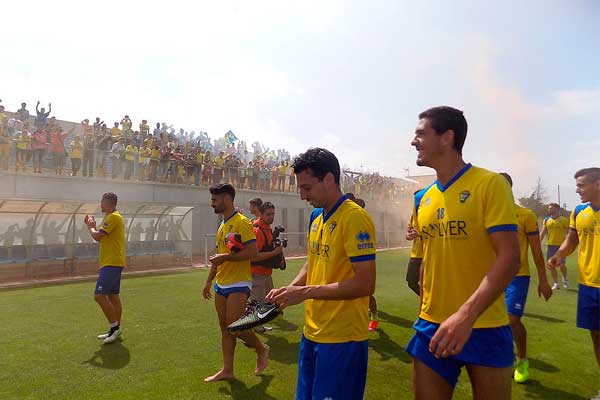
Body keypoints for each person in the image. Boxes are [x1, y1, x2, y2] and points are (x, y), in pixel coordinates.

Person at [406, 106, 519, 399]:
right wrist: (423, 312)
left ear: (447, 138)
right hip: (431, 325)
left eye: (420, 133)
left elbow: (509, 258)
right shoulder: (423, 197)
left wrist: (465, 315)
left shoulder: (489, 183)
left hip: (484, 324)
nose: (412, 141)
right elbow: (429, 260)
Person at [266, 148, 376, 400]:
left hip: (343, 339)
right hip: (312, 333)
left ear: (328, 179)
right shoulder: (317, 217)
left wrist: (304, 293)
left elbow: (365, 284)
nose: (302, 196)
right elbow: (313, 262)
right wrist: (288, 291)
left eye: (307, 188)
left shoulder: (355, 218)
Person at [202, 183, 269, 382]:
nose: (211, 203)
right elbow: (219, 257)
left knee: (235, 326)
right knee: (224, 327)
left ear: (227, 199)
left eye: (215, 200)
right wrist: (208, 282)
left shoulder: (242, 222)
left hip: (239, 282)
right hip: (221, 282)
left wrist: (225, 258)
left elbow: (252, 252)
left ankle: (261, 349)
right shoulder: (222, 225)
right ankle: (227, 370)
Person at [500, 172, 553, 383]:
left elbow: (536, 251)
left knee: (513, 319)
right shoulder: (485, 213)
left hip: (518, 276)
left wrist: (543, 280)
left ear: (508, 188)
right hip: (492, 275)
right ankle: (502, 357)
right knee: (493, 322)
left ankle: (522, 360)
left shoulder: (526, 215)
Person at [548, 167, 600, 367]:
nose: (577, 190)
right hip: (588, 284)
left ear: (597, 184)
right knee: (595, 334)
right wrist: (558, 255)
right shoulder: (578, 212)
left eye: (581, 186)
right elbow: (571, 240)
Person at [84, 192, 126, 345]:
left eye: (102, 202)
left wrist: (90, 226)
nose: (100, 204)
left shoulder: (113, 217)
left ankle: (114, 328)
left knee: (99, 296)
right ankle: (116, 329)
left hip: (111, 263)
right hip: (113, 262)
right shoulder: (112, 217)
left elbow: (97, 237)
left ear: (108, 203)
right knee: (113, 296)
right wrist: (94, 227)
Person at [249, 202, 284, 333]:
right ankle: (254, 327)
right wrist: (274, 253)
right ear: (261, 214)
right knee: (257, 300)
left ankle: (260, 323)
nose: (271, 217)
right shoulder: (257, 231)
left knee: (267, 298)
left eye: (273, 214)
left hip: (265, 272)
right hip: (257, 272)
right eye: (268, 214)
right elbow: (254, 256)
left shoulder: (267, 228)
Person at [540, 203, 570, 290]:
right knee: (551, 265)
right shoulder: (546, 220)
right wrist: (538, 242)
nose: (549, 210)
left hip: (561, 247)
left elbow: (569, 233)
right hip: (550, 246)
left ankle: (564, 278)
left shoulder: (564, 220)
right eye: (549, 208)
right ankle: (556, 283)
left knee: (561, 265)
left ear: (557, 209)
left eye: (551, 208)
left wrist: (568, 243)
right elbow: (543, 232)